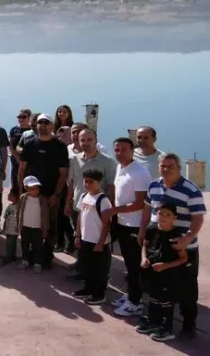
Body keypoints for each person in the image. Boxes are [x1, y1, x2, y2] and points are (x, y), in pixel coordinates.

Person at [139, 152, 204, 341]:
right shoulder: (154, 185)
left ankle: (188, 324)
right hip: (158, 245)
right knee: (158, 284)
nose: (166, 169)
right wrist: (143, 230)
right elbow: (147, 208)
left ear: (179, 168)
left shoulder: (190, 189)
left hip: (183, 246)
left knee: (187, 288)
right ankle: (157, 321)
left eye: (170, 166)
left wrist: (188, 238)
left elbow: (198, 217)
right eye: (163, 166)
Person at [106, 137, 152, 318]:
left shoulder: (140, 172)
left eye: (124, 149)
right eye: (116, 150)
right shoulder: (120, 168)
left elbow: (140, 203)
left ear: (132, 151)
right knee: (128, 263)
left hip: (134, 225)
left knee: (134, 266)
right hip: (122, 223)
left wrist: (114, 210)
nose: (120, 153)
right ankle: (132, 296)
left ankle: (135, 303)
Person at [17, 113, 69, 269]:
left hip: (51, 194)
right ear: (36, 125)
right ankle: (31, 255)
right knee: (29, 224)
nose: (43, 125)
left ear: (52, 126)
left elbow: (63, 174)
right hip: (31, 193)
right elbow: (22, 169)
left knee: (50, 225)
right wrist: (20, 189)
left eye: (46, 122)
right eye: (40, 122)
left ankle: (47, 256)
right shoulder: (30, 144)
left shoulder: (59, 147)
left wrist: (56, 195)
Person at [135, 204, 188, 342]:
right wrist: (143, 258)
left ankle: (167, 329)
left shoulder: (176, 236)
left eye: (168, 215)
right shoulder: (152, 229)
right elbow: (145, 246)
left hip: (168, 276)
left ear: (174, 218)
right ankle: (154, 323)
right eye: (161, 214)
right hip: (152, 273)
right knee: (153, 298)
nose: (164, 217)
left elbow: (184, 258)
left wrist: (166, 266)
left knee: (165, 302)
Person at [73, 168, 114, 306]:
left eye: (91, 182)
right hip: (86, 240)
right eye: (86, 181)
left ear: (99, 182)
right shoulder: (84, 196)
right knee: (87, 268)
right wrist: (78, 235)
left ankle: (99, 294)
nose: (87, 184)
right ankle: (88, 289)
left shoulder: (103, 200)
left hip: (98, 242)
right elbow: (80, 216)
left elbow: (106, 223)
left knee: (99, 270)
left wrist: (101, 243)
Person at [17, 176, 49, 273]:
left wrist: (45, 229)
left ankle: (38, 263)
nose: (35, 191)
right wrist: (18, 225)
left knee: (38, 246)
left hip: (37, 228)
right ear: (26, 188)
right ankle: (25, 261)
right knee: (24, 245)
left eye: (37, 188)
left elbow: (45, 215)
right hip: (25, 226)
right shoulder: (23, 198)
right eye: (32, 189)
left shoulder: (42, 200)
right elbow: (19, 212)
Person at [1, 191, 19, 264]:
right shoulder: (9, 206)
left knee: (10, 243)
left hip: (14, 229)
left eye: (10, 195)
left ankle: (9, 258)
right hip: (8, 228)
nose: (8, 195)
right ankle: (11, 256)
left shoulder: (18, 207)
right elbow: (6, 217)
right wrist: (4, 227)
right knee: (9, 243)